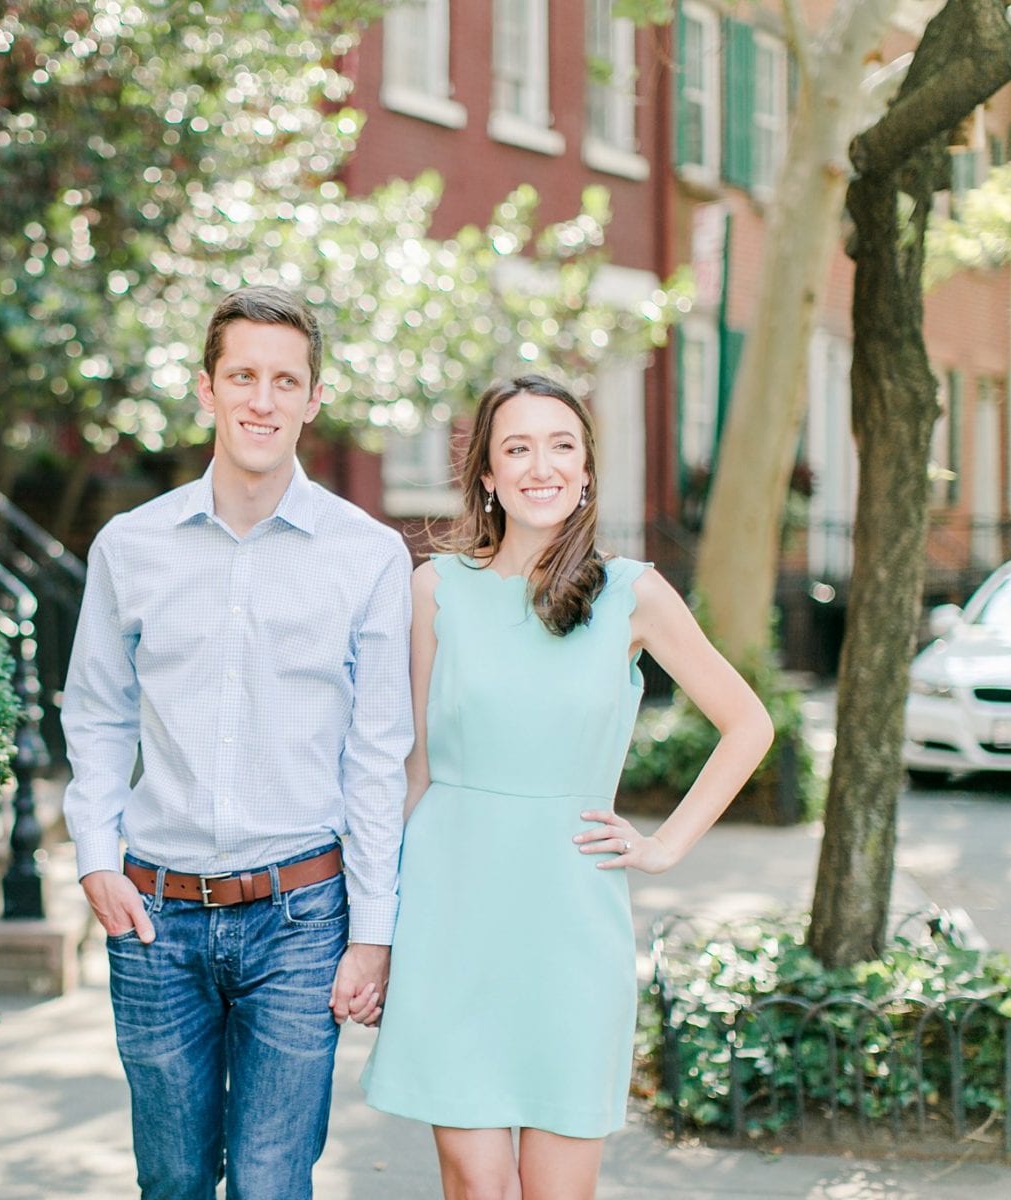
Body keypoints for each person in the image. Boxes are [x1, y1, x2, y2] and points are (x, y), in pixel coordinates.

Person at [360, 373, 774, 1200]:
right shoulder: (435, 589)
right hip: (452, 912)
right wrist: (379, 927)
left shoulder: (633, 595)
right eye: (517, 447)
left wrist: (663, 846)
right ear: (486, 472)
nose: (539, 466)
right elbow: (413, 769)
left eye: (561, 446)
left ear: (586, 472)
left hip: (569, 922)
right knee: (476, 1185)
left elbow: (749, 724)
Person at [61, 285, 413, 1200]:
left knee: (269, 1183)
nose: (263, 399)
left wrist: (373, 933)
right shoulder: (130, 547)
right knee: (172, 1181)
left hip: (302, 916)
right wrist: (96, 855)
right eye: (244, 376)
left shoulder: (367, 554)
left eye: (285, 380)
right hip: (154, 914)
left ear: (312, 398)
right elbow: (96, 713)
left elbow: (377, 757)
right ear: (208, 390)